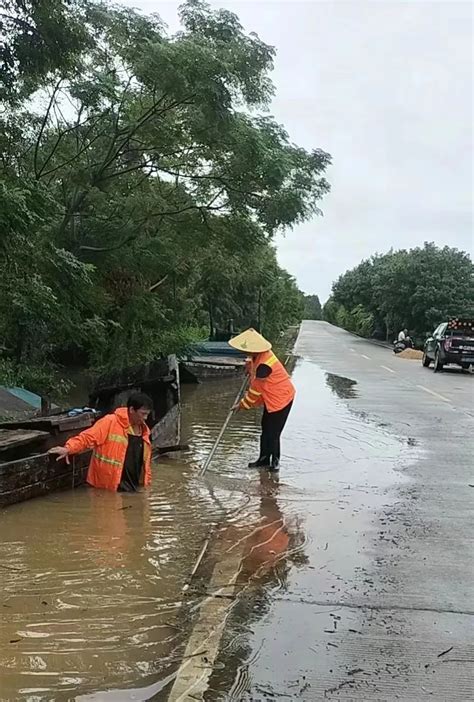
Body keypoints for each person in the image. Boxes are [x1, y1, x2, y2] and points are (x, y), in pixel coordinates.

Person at [48, 392, 153, 492]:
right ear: (131, 410)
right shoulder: (110, 422)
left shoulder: (145, 431)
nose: (145, 418)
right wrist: (68, 448)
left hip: (133, 487)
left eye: (147, 414)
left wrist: (146, 486)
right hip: (107, 487)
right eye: (143, 414)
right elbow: (88, 438)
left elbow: (145, 465)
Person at [229, 328, 295, 472]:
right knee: (265, 429)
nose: (245, 353)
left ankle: (275, 462)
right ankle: (263, 459)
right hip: (271, 397)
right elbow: (254, 371)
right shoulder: (257, 357)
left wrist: (241, 405)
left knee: (273, 432)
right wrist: (249, 367)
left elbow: (254, 392)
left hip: (282, 398)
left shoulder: (265, 365)